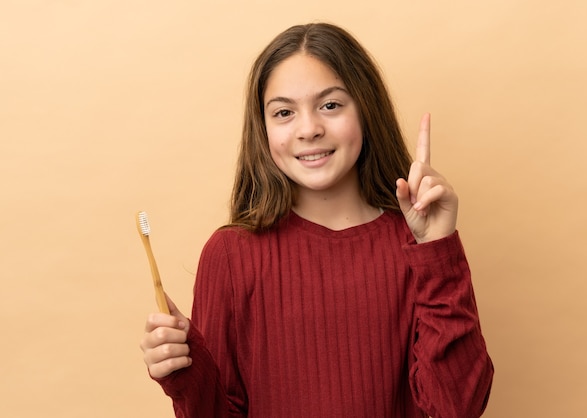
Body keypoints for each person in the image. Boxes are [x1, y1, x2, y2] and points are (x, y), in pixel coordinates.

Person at [140, 22, 494, 418]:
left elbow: (457, 408)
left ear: (366, 109)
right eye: (284, 112)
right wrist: (186, 374)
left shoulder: (418, 246)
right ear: (264, 128)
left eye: (330, 105)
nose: (308, 129)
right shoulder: (229, 255)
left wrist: (437, 254)